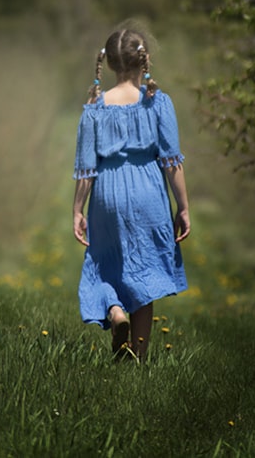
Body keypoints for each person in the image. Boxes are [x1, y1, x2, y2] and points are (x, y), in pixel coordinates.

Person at [72, 27, 190, 362]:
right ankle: (136, 356)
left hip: (108, 193)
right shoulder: (157, 103)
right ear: (144, 60)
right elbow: (171, 162)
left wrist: (77, 210)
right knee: (145, 271)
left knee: (104, 265)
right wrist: (183, 207)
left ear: (108, 63)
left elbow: (85, 168)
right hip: (148, 192)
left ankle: (114, 310)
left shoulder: (95, 107)